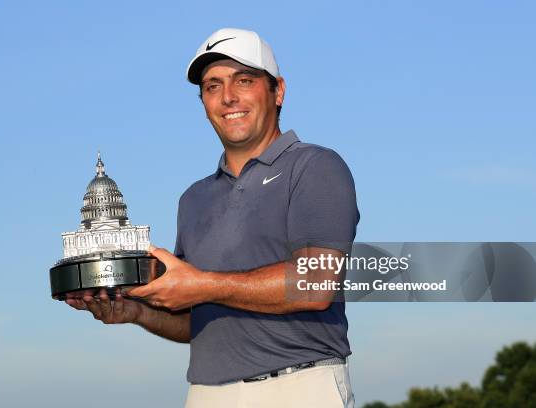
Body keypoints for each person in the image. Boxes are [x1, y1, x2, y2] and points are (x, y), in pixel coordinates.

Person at [66, 27, 359, 408]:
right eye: (212, 86)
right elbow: (195, 321)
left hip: (298, 385)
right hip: (207, 393)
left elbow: (317, 282)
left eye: (244, 80)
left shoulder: (315, 166)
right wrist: (135, 311)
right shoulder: (193, 199)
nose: (228, 97)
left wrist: (201, 284)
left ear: (278, 91)